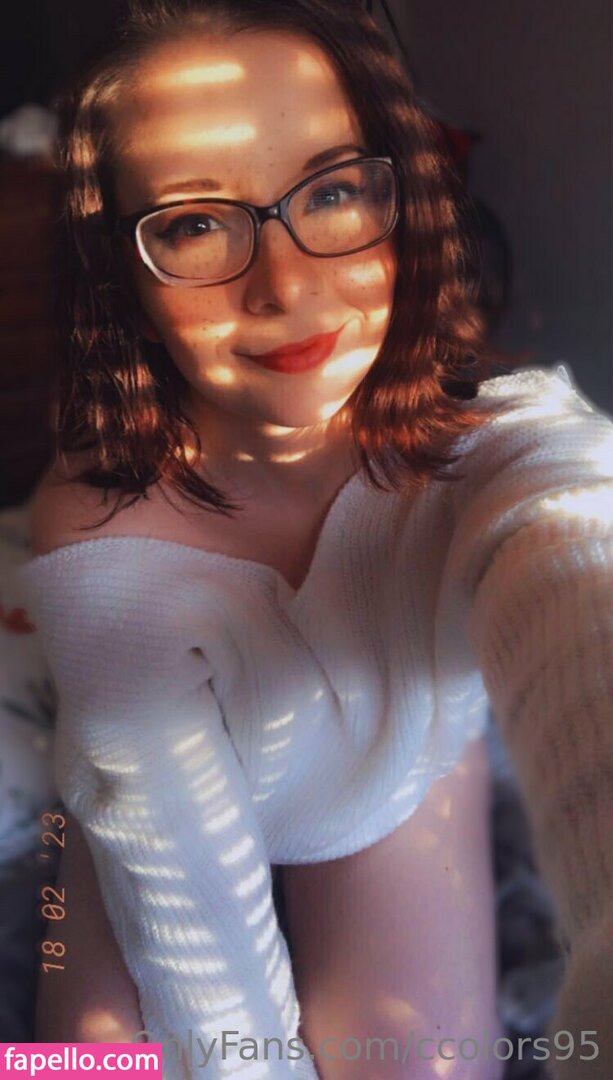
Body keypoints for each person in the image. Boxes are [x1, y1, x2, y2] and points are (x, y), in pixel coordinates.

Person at [19, 1, 613, 1078]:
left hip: (394, 778)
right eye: (195, 223)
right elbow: (192, 936)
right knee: (74, 1066)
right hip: (145, 810)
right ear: (120, 267)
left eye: (332, 191)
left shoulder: (487, 444)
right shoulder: (102, 531)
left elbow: (570, 552)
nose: (285, 286)